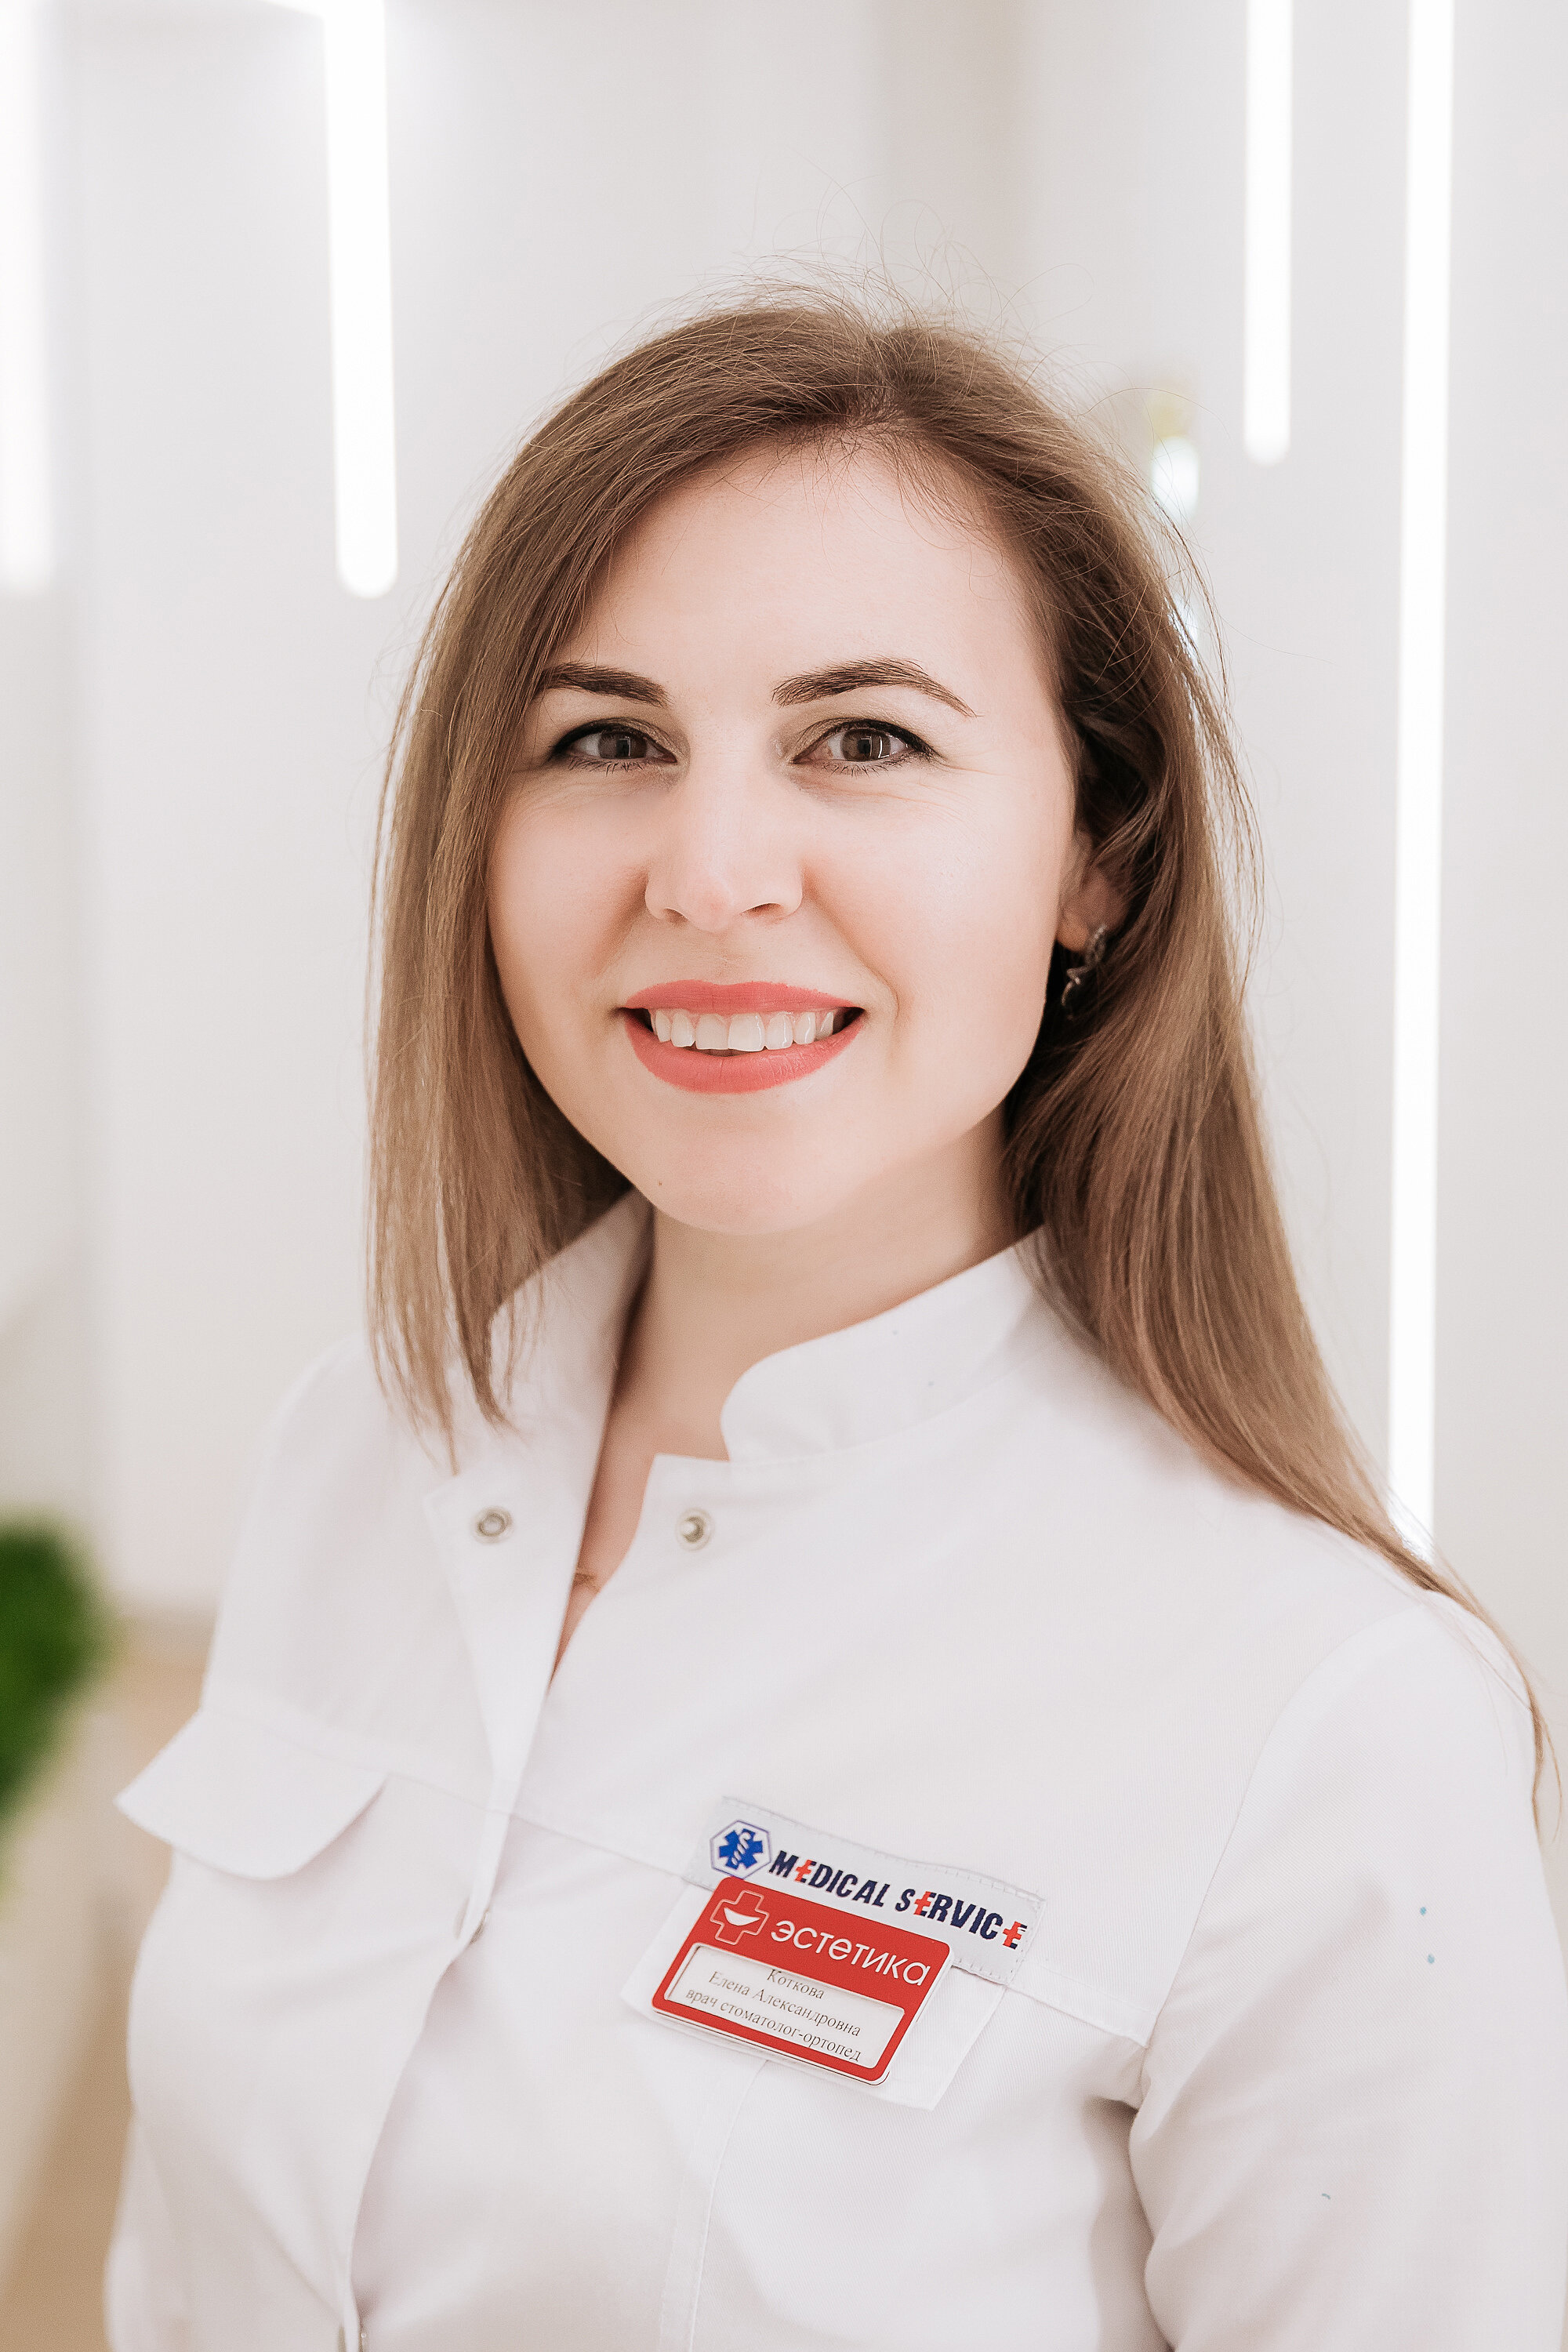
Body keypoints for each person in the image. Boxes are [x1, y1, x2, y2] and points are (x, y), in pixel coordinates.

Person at [107, 291, 1568, 2352]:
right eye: (608, 741)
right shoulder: (364, 1448)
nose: (711, 873)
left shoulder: (1330, 1723)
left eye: (864, 741)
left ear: (1099, 859)